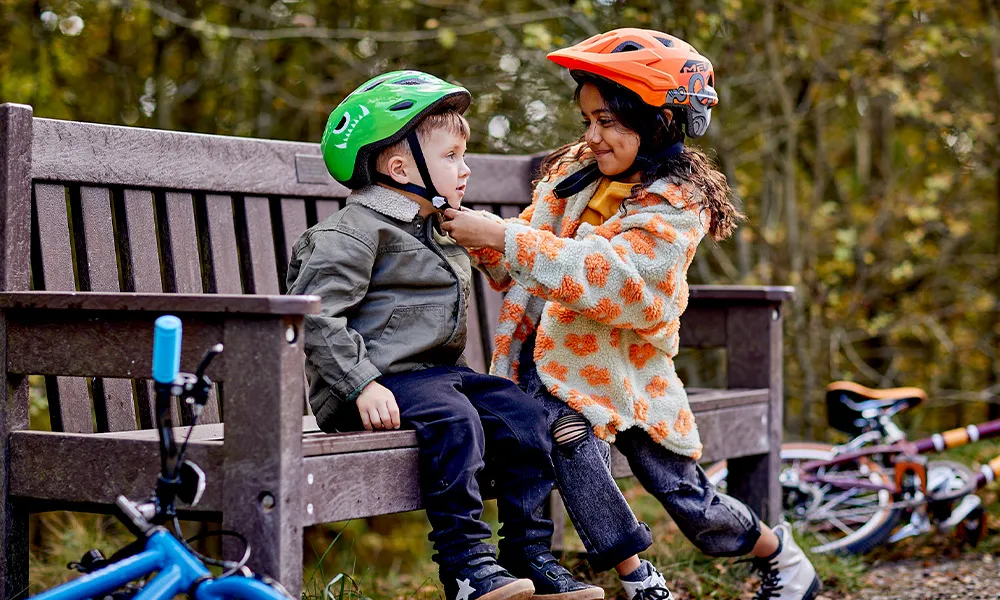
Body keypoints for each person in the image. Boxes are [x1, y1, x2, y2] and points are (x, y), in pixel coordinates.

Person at [441, 29, 821, 600]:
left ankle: (783, 558)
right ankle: (637, 577)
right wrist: (466, 231)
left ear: (660, 122)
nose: (592, 136)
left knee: (693, 505)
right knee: (568, 433)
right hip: (549, 372)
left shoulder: (675, 203)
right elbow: (515, 265)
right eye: (587, 120)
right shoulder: (574, 175)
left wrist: (502, 235)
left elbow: (620, 284)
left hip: (631, 375)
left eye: (609, 122)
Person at [286, 70, 602, 600]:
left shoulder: (434, 224)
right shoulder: (351, 233)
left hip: (436, 380)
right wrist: (361, 383)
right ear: (399, 166)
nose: (465, 167)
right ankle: (465, 566)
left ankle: (528, 553)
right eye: (452, 155)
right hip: (373, 387)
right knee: (455, 421)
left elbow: (512, 268)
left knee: (522, 413)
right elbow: (315, 317)